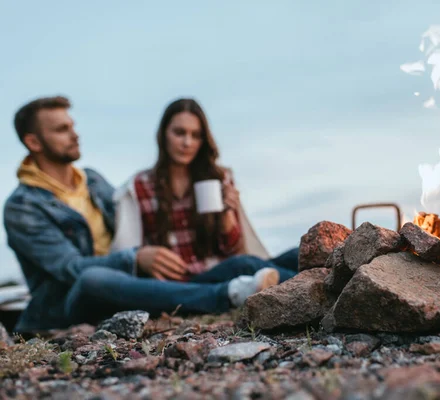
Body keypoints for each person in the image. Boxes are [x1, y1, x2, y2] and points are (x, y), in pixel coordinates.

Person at [2, 96, 292, 333]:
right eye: (61, 129)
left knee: (241, 263)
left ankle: (323, 276)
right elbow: (70, 269)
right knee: (93, 278)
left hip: (140, 287)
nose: (75, 133)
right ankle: (224, 296)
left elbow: (131, 227)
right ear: (34, 142)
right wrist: (136, 257)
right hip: (72, 301)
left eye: (72, 125)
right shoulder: (22, 207)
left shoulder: (92, 181)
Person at [111, 97, 298, 289]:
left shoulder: (218, 177)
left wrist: (227, 214)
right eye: (179, 133)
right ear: (163, 134)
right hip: (180, 282)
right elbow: (126, 252)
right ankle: (308, 288)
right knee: (245, 265)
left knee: (296, 254)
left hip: (221, 269)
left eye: (196, 135)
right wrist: (144, 256)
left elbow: (234, 249)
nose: (187, 142)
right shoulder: (140, 185)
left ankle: (320, 279)